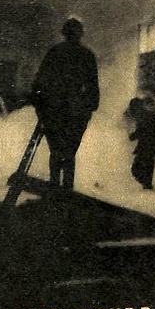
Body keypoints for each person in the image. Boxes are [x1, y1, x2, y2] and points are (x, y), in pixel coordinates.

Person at [32, 17, 100, 192]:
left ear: (64, 34)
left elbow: (39, 82)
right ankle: (66, 190)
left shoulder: (54, 52)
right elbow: (93, 87)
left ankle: (55, 188)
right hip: (76, 111)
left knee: (56, 151)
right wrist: (89, 108)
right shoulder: (87, 55)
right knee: (70, 152)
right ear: (80, 34)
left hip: (53, 109)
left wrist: (40, 107)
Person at [126, 96, 155, 190]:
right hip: (151, 145)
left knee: (137, 168)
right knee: (147, 164)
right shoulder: (149, 115)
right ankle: (147, 183)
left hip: (146, 145)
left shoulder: (144, 116)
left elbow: (141, 131)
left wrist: (132, 136)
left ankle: (147, 184)